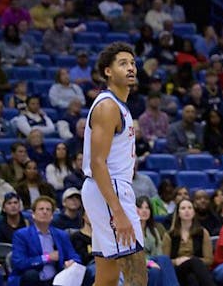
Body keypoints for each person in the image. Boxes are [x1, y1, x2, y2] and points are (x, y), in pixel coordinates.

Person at [81, 42, 146, 286]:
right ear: (108, 71)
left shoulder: (119, 105)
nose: (131, 68)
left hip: (109, 190)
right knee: (136, 273)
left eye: (132, 63)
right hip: (110, 189)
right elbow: (98, 163)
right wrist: (117, 211)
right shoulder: (108, 106)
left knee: (107, 277)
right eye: (123, 63)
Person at [9, 196, 82, 286]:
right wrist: (47, 258)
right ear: (33, 214)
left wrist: (72, 262)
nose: (45, 212)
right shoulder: (21, 235)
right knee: (31, 275)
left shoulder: (61, 235)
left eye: (48, 209)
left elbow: (74, 256)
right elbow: (19, 263)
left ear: (52, 215)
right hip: (32, 279)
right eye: (41, 209)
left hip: (56, 278)